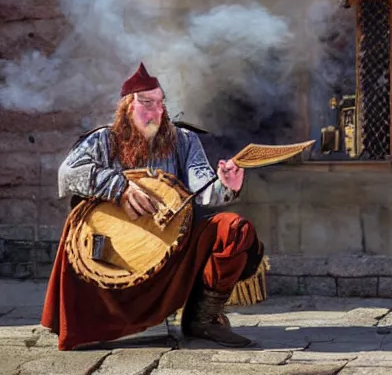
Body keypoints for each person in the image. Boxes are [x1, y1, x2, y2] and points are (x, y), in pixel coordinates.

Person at [41, 63, 264, 351]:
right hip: (116, 254)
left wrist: (226, 185)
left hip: (173, 246)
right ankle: (93, 323)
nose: (156, 112)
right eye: (146, 103)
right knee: (77, 224)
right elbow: (67, 174)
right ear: (126, 107)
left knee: (234, 229)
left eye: (160, 104)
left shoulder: (183, 140)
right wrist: (119, 187)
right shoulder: (102, 140)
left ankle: (203, 319)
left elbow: (203, 190)